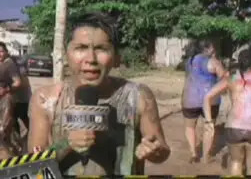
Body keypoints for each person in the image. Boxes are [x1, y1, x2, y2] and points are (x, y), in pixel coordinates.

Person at [28, 12, 170, 176]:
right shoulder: (46, 99)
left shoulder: (138, 96)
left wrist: (154, 151)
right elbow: (33, 165)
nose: (91, 58)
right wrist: (66, 144)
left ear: (116, 57)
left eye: (101, 49)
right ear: (66, 55)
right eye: (81, 48)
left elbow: (162, 150)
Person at [181, 39, 227, 163]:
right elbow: (224, 78)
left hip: (189, 99)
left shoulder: (188, 61)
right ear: (206, 49)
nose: (214, 50)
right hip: (211, 100)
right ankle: (206, 157)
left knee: (190, 127)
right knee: (208, 126)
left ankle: (193, 153)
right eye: (212, 47)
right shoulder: (213, 62)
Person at [0, 42, 22, 158]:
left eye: (1, 51)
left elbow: (18, 82)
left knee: (5, 129)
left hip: (5, 100)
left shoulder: (9, 65)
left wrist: (7, 89)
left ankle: (13, 154)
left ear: (6, 52)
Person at [11, 55, 32, 137]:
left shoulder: (16, 65)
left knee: (27, 121)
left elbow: (24, 83)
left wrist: (8, 88)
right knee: (13, 123)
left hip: (22, 100)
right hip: (12, 100)